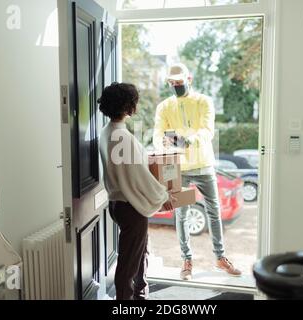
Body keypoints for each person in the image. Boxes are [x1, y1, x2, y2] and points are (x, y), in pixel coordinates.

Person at [153, 63, 242, 281]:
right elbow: (158, 132)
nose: (176, 86)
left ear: (189, 79)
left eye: (179, 82)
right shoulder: (164, 107)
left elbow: (207, 130)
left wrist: (188, 140)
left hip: (203, 165)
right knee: (181, 215)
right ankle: (187, 261)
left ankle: (220, 258)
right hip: (179, 169)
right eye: (172, 83)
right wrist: (162, 146)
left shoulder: (203, 101)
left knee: (214, 210)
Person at [98, 82, 175, 300]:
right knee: (128, 264)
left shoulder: (109, 132)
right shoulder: (122, 137)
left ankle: (140, 294)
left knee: (139, 253)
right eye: (134, 101)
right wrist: (163, 196)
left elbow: (128, 166)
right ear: (127, 106)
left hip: (118, 204)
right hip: (130, 208)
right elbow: (139, 178)